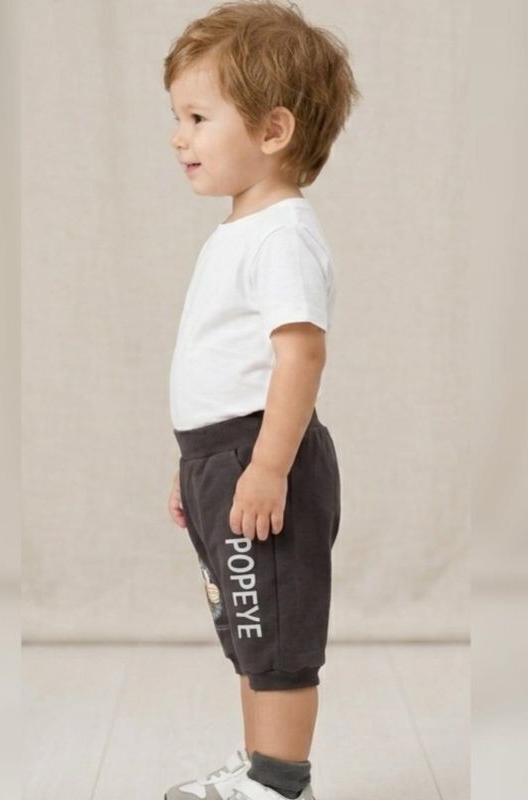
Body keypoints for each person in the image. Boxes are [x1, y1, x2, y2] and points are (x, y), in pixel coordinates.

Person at [164, 2, 359, 798]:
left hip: (259, 457)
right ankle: (258, 770)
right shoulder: (241, 231)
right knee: (250, 629)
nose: (178, 137)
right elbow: (224, 366)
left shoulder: (283, 236)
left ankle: (280, 783)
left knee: (276, 637)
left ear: (273, 129)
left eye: (197, 118)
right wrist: (197, 467)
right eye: (177, 118)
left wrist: (267, 467)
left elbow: (300, 355)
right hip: (224, 458)